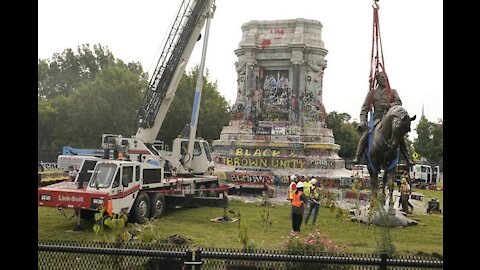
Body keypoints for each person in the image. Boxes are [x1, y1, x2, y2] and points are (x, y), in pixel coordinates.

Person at [353, 71, 414, 165]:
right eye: (381, 78)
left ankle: (408, 157)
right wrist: (362, 121)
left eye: (385, 78)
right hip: (377, 118)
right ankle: (358, 156)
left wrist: (391, 105)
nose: (384, 80)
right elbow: (364, 109)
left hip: (390, 118)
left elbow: (399, 102)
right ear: (377, 80)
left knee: (399, 135)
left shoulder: (392, 92)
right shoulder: (372, 93)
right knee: (366, 134)